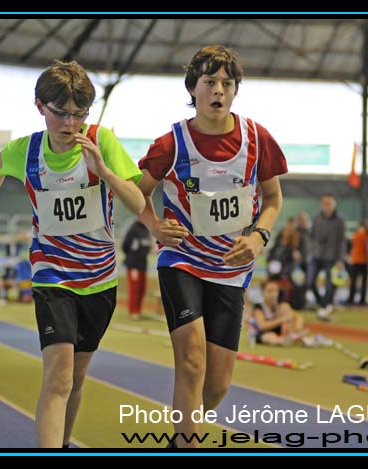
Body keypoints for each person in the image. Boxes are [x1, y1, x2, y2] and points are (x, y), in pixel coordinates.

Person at [0, 60, 145, 448]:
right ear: (40, 106)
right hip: (52, 274)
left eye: (79, 114)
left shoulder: (101, 141)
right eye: (61, 113)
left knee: (76, 378)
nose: (70, 124)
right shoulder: (27, 150)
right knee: (59, 376)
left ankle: (63, 442)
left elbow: (137, 201)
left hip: (99, 279)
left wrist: (105, 171)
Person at [136, 45, 287, 448]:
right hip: (182, 259)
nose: (219, 89)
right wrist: (155, 225)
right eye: (210, 82)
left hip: (231, 268)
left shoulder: (257, 139)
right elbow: (138, 193)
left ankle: (181, 437)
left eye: (227, 83)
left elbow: (273, 199)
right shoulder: (172, 143)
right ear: (193, 88)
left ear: (235, 90)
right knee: (191, 361)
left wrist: (258, 237)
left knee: (216, 385)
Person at [309, 194, 346, 320]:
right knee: (310, 281)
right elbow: (312, 236)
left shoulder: (339, 220)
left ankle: (324, 307)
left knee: (330, 285)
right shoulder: (316, 218)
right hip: (316, 256)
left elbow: (342, 241)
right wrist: (312, 250)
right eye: (325, 203)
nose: (327, 206)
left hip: (332, 257)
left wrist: (340, 259)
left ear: (334, 205)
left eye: (329, 203)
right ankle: (322, 303)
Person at [250, 280, 306, 346]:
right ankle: (284, 340)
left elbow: (297, 318)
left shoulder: (281, 305)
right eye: (270, 291)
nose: (273, 294)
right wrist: (282, 319)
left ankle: (293, 336)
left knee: (287, 308)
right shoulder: (259, 307)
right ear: (263, 292)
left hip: (280, 332)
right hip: (263, 334)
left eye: (276, 291)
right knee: (270, 336)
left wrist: (296, 327)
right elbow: (262, 326)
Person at [122, 219, 153, 319]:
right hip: (134, 264)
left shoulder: (147, 231)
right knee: (134, 288)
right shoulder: (133, 229)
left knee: (142, 289)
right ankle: (133, 311)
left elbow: (148, 247)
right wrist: (132, 257)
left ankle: (138, 311)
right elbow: (125, 246)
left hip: (143, 264)